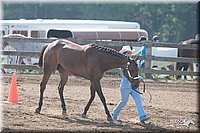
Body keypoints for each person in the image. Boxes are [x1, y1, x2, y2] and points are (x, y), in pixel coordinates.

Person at [112, 45, 150, 124]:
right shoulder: (122, 66)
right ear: (124, 54)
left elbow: (135, 74)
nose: (129, 55)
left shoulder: (133, 63)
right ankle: (114, 113)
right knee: (123, 102)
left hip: (133, 86)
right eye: (127, 53)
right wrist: (137, 78)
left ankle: (142, 116)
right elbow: (127, 76)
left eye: (129, 53)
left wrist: (139, 77)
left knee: (138, 100)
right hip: (126, 86)